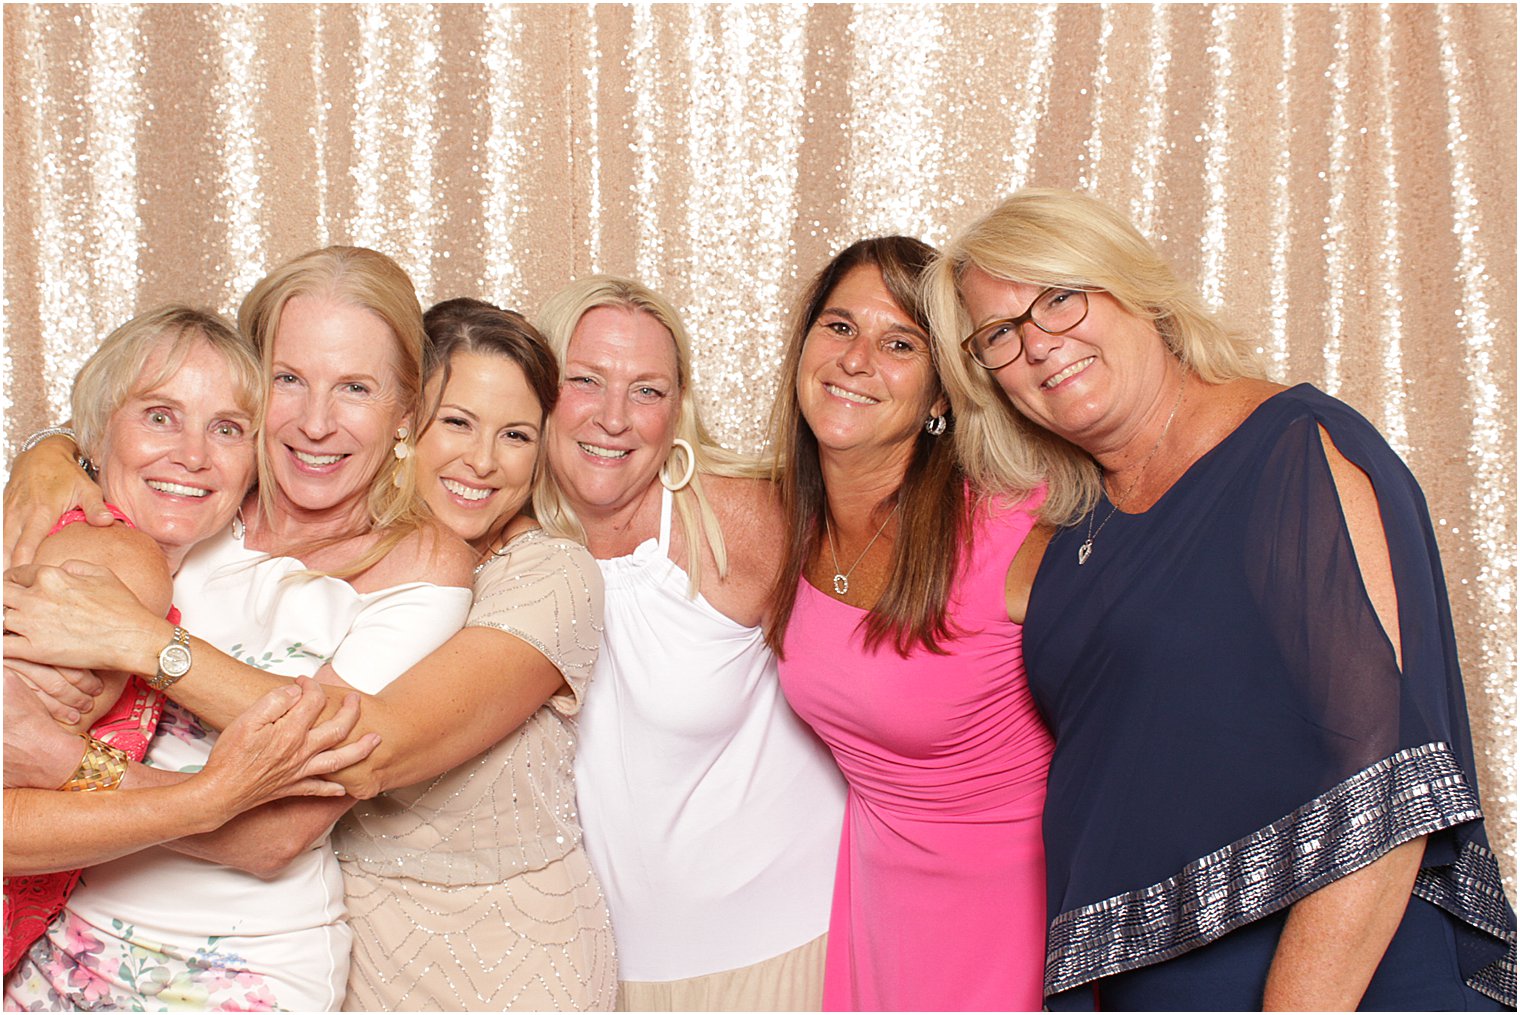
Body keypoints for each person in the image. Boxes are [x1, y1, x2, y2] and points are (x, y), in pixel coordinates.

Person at [924, 187, 1517, 1010]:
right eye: (999, 333)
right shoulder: (1074, 526)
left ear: (1137, 292)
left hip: (1331, 984)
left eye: (1059, 297)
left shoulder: (1288, 451)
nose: (1038, 344)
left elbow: (1386, 790)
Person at [4, 296, 618, 1011]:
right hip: (355, 954)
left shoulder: (544, 575)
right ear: (410, 424)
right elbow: (169, 428)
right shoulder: (239, 504)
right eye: (456, 422)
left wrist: (126, 663)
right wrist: (52, 451)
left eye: (515, 433)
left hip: (498, 962)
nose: (480, 460)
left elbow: (352, 754)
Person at [3, 305, 376, 971]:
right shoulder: (116, 562)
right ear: (97, 429)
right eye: (158, 416)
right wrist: (204, 801)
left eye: (227, 428)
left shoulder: (151, 567)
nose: (194, 455)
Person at [533, 275, 846, 1010]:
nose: (614, 417)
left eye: (647, 390)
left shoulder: (740, 520)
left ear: (678, 410)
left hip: (788, 952)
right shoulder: (497, 545)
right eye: (584, 380)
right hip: (597, 972)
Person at [765, 237, 1051, 1011]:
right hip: (877, 906)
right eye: (838, 326)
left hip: (1013, 916)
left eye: (899, 344)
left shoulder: (1011, 534)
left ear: (940, 396)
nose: (857, 360)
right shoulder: (783, 524)